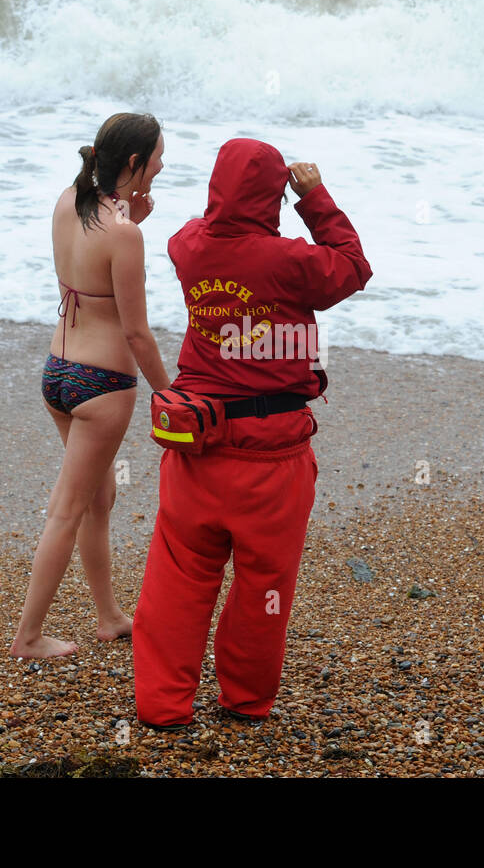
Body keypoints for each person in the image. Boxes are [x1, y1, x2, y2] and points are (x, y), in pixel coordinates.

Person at [132, 139, 372, 729]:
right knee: (264, 584)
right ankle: (245, 700)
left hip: (198, 444)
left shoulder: (188, 246)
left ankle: (162, 705)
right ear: (273, 194)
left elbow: (195, 229)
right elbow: (353, 267)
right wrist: (314, 198)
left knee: (179, 578)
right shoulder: (291, 261)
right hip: (273, 456)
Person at [10, 113, 172, 659]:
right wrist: (170, 394)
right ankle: (28, 636)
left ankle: (108, 617)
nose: (161, 168)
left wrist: (133, 221)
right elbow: (136, 333)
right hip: (103, 385)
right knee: (68, 508)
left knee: (100, 496)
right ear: (133, 163)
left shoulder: (66, 200)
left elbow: (94, 258)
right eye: (155, 162)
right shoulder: (124, 235)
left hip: (58, 372)